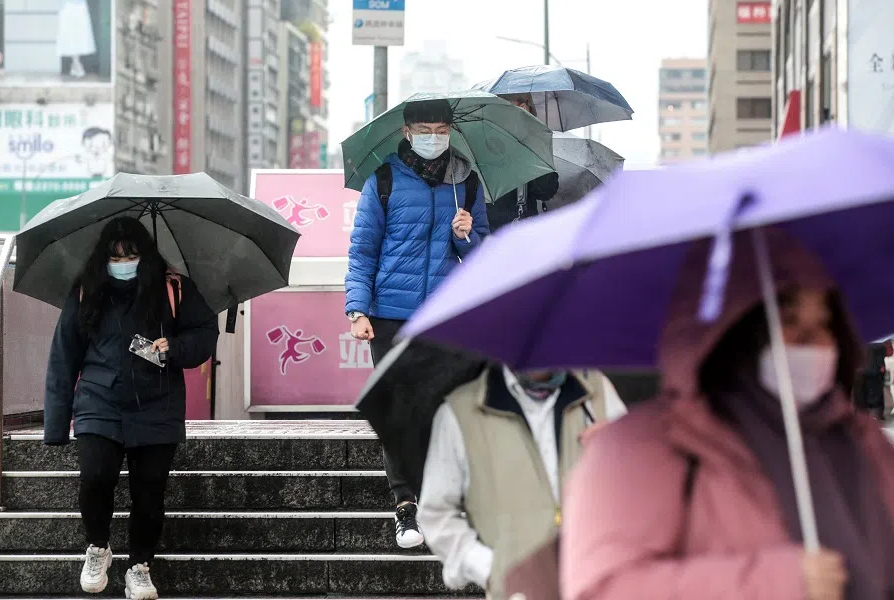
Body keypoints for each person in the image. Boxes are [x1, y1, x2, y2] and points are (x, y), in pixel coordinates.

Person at [561, 229, 894, 600]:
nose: (813, 342)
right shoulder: (635, 449)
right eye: (788, 320)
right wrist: (776, 584)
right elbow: (604, 590)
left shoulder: (857, 436)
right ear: (735, 327)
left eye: (824, 323)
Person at [43, 217, 219, 600]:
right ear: (103, 257)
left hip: (158, 404)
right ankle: (98, 548)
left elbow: (205, 331)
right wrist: (56, 424)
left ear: (147, 255)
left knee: (150, 494)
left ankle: (139, 566)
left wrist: (173, 347)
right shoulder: (85, 292)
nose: (123, 262)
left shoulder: (174, 288)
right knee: (94, 479)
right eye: (116, 255)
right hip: (98, 401)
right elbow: (62, 357)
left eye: (133, 254)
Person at [345, 98, 491, 548]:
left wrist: (468, 235)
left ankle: (439, 500)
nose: (434, 137)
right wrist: (357, 309)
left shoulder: (466, 183)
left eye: (441, 129)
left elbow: (485, 258)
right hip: (390, 315)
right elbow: (363, 248)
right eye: (424, 129)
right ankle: (405, 506)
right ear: (407, 132)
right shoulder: (385, 177)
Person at [419, 365, 627, 599]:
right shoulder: (460, 413)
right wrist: (493, 569)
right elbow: (436, 514)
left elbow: (640, 488)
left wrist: (619, 448)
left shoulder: (597, 394)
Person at [486, 93, 559, 232]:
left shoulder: (534, 141)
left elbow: (546, 190)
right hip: (489, 235)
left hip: (522, 233)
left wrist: (530, 136)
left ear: (524, 108)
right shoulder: (483, 140)